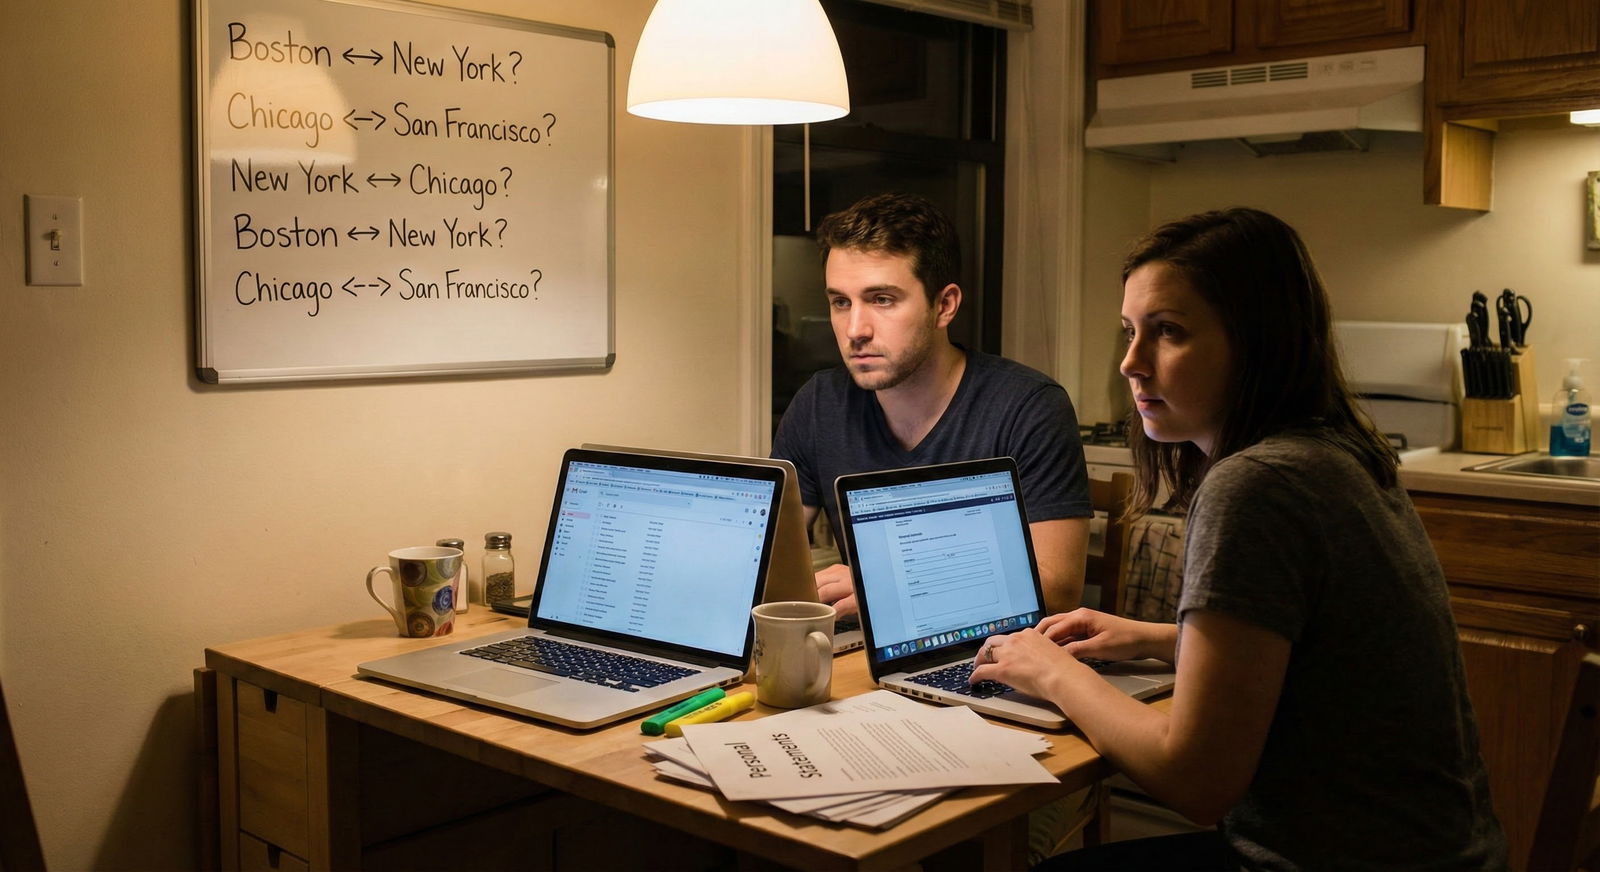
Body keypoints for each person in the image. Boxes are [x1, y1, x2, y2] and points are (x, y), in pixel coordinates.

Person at [971, 207, 1508, 870]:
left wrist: (1051, 672)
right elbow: (1324, 653)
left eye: (1167, 333)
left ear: (1257, 341)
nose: (1132, 364)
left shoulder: (1256, 485)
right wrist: (1160, 639)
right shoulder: (1341, 453)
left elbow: (1195, 781)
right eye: (1129, 332)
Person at [772, 192, 1092, 615]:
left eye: (882, 300)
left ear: (944, 305)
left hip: (992, 655)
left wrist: (881, 583)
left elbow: (1057, 588)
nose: (855, 329)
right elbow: (771, 559)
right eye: (840, 302)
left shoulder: (1027, 407)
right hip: (867, 650)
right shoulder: (820, 403)